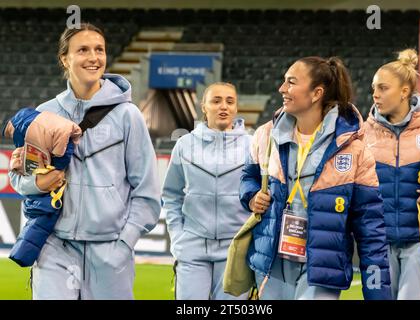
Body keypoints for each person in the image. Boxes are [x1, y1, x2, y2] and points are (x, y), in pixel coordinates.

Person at [8, 23, 161, 300]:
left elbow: (147, 192)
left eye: (99, 50)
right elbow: (20, 178)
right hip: (55, 246)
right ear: (65, 59)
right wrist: (37, 181)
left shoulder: (129, 115)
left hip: (110, 252)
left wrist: (124, 243)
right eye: (83, 50)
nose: (94, 57)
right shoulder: (44, 113)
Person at [239, 56, 391, 300]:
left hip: (323, 269)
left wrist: (378, 294)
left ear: (316, 93)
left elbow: (370, 228)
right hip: (272, 265)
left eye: (291, 82)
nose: (282, 89)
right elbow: (249, 177)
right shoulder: (266, 135)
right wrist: (250, 196)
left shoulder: (354, 148)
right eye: (283, 82)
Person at [362, 48, 420, 300]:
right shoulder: (362, 134)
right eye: (373, 88)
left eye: (383, 88)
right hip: (379, 240)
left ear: (404, 92)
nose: (375, 95)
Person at [162, 82, 251, 300]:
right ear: (204, 106)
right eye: (216, 100)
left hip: (236, 249)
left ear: (236, 108)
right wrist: (178, 237)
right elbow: (171, 195)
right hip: (192, 246)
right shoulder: (184, 144)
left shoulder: (253, 145)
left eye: (230, 101)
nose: (224, 107)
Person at [2, 107, 82, 267]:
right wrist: (38, 182)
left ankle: (23, 253)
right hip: (53, 238)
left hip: (98, 236)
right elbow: (17, 180)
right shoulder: (44, 110)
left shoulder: (124, 117)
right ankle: (23, 254)